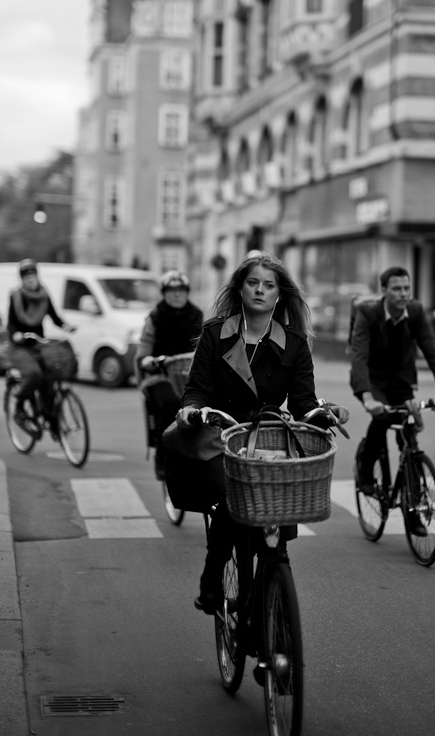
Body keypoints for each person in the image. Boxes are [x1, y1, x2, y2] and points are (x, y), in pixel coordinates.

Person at [175, 251, 349, 614]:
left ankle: (273, 594)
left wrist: (324, 414)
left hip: (270, 435)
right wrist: (193, 410)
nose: (260, 290)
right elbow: (197, 389)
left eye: (268, 285)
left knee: (277, 507)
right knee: (232, 498)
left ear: (279, 295)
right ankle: (212, 581)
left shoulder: (295, 341)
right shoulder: (215, 333)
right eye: (253, 282)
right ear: (240, 288)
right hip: (222, 432)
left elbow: (302, 401)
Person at [349, 266, 435, 528]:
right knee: (383, 418)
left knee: (409, 435)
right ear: (384, 291)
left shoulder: (416, 312)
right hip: (372, 380)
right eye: (396, 289)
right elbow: (359, 355)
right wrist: (367, 397)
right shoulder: (368, 313)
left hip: (401, 380)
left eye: (406, 288)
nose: (403, 293)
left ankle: (414, 509)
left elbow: (431, 348)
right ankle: (365, 469)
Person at [136, 270, 204, 478]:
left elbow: (207, 345)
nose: (177, 294)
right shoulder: (155, 318)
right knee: (171, 403)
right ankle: (161, 456)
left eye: (181, 290)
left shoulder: (197, 315)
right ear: (164, 293)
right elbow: (143, 351)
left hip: (189, 375)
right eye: (172, 290)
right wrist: (148, 361)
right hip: (161, 375)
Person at [6, 259, 75, 427]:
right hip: (20, 346)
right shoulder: (17, 296)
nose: (30, 280)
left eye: (33, 276)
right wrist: (15, 334)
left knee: (51, 374)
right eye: (26, 277)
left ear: (37, 277)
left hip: (38, 343)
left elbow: (54, 316)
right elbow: (11, 323)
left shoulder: (44, 295)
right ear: (21, 280)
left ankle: (48, 412)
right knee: (34, 374)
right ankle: (19, 405)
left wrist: (66, 325)